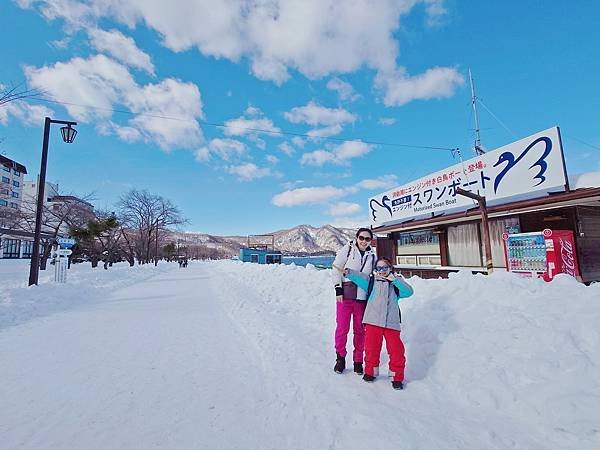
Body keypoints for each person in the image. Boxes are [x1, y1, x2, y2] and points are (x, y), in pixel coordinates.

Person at [344, 257, 413, 390]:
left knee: (396, 350)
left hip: (391, 322)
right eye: (379, 268)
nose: (381, 271)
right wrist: (349, 272)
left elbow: (409, 292)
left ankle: (396, 376)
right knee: (371, 348)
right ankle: (370, 372)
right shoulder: (371, 281)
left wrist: (395, 280)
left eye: (384, 268)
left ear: (390, 269)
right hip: (372, 320)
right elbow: (359, 278)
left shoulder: (396, 284)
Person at [332, 227, 376, 375]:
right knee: (342, 328)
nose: (364, 241)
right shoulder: (348, 249)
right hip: (345, 295)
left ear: (371, 241)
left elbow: (374, 276)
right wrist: (338, 288)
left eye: (367, 239)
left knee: (360, 331)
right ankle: (340, 359)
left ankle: (358, 361)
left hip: (362, 298)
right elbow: (336, 267)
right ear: (357, 238)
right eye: (361, 238)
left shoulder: (372, 256)